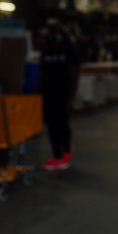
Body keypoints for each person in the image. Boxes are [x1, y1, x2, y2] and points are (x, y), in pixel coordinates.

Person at [38, 19, 80, 171]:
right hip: (48, 94)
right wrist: (39, 93)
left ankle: (63, 154)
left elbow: (74, 74)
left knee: (61, 123)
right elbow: (42, 73)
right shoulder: (46, 52)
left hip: (62, 93)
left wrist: (71, 97)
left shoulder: (68, 51)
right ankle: (58, 153)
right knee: (51, 125)